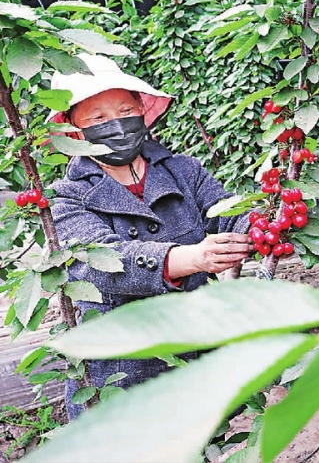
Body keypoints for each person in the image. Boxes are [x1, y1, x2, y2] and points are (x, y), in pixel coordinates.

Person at [47, 53, 254, 421]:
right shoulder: (65, 198)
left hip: (197, 350)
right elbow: (101, 262)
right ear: (73, 131)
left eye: (125, 110)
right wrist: (192, 258)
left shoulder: (184, 171)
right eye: (98, 118)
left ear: (142, 110)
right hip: (122, 370)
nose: (117, 124)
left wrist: (263, 221)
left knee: (202, 434)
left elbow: (227, 213)